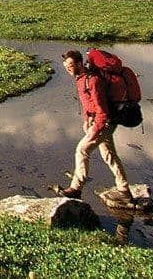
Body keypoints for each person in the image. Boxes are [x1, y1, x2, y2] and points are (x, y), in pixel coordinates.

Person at [56, 50, 131, 201]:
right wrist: (86, 119)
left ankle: (76, 188)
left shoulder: (93, 81)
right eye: (65, 66)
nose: (68, 69)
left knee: (82, 150)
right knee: (109, 155)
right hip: (98, 121)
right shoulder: (81, 78)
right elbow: (87, 103)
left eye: (70, 65)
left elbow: (102, 110)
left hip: (105, 122)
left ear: (79, 63)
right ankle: (124, 190)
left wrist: (95, 130)